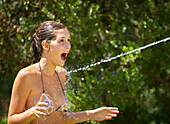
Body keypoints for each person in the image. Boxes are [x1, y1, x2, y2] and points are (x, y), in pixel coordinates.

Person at [8, 21, 119, 124]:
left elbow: (60, 118)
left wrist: (90, 114)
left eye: (68, 40)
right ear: (46, 45)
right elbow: (11, 121)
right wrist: (32, 112)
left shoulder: (61, 74)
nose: (68, 46)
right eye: (61, 41)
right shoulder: (27, 76)